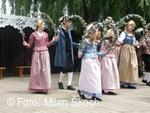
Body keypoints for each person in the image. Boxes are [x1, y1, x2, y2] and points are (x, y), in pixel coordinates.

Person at [23, 19, 56, 94]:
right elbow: (30, 45)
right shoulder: (33, 34)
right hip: (36, 53)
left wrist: (53, 41)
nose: (44, 26)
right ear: (39, 25)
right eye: (43, 24)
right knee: (36, 71)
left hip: (45, 53)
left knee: (45, 71)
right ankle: (36, 87)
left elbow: (47, 44)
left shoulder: (46, 34)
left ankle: (45, 87)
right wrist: (26, 44)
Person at [77, 23, 103, 101]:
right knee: (89, 78)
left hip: (95, 61)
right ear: (91, 33)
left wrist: (104, 53)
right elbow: (80, 53)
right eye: (96, 32)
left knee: (96, 77)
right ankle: (82, 91)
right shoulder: (85, 41)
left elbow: (95, 52)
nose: (98, 33)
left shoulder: (95, 42)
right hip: (87, 61)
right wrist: (80, 50)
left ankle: (94, 94)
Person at [54, 16, 77, 90]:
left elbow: (70, 42)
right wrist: (55, 39)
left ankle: (69, 84)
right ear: (65, 22)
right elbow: (56, 41)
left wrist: (77, 44)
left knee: (70, 68)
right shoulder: (59, 31)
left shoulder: (69, 31)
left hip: (70, 52)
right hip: (63, 52)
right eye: (69, 22)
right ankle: (60, 81)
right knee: (65, 68)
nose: (70, 24)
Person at [118, 20, 139, 89]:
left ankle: (131, 82)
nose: (131, 28)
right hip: (125, 49)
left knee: (132, 65)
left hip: (132, 50)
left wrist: (138, 43)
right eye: (130, 26)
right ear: (127, 25)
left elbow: (134, 43)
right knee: (125, 64)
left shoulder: (133, 35)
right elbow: (120, 41)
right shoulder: (123, 33)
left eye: (133, 26)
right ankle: (122, 81)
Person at [100, 29, 120, 95]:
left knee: (113, 74)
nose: (114, 37)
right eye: (113, 35)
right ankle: (105, 88)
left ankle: (111, 88)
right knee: (107, 74)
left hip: (112, 58)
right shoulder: (105, 42)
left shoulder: (114, 42)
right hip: (106, 58)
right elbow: (102, 51)